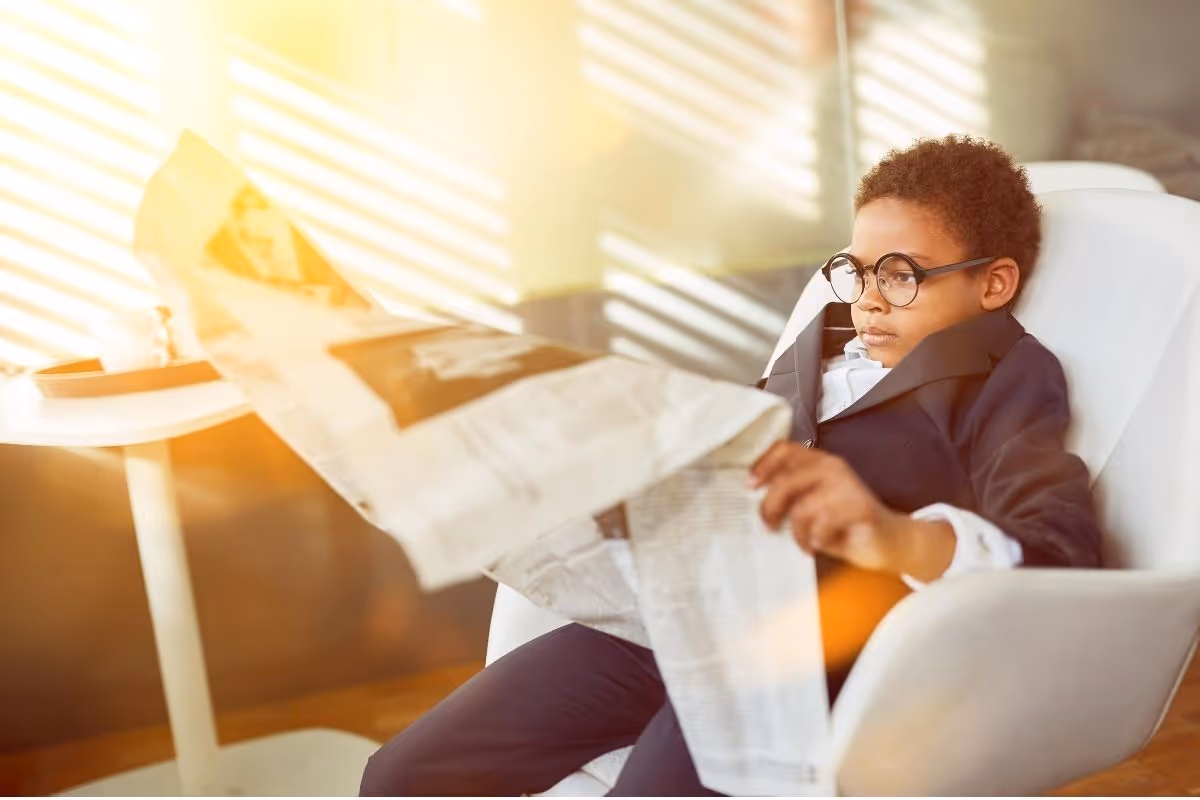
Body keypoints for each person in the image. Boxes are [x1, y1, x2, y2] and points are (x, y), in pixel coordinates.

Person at [358, 135, 1103, 796]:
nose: (871, 301)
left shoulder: (1008, 378)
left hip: (794, 659)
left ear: (993, 283)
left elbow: (1059, 549)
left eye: (902, 275)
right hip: (670, 616)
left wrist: (896, 535)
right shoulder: (821, 342)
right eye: (857, 271)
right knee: (403, 777)